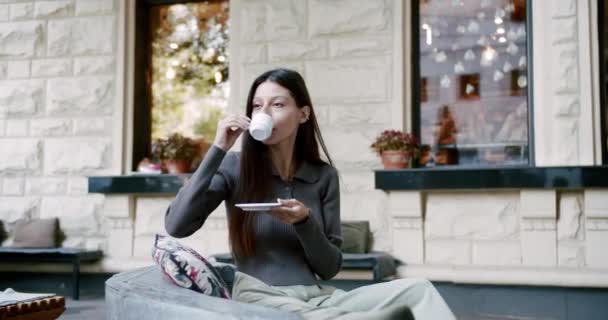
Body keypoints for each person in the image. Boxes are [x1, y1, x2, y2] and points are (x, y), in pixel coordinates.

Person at [164, 68, 456, 320]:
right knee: (321, 316)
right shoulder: (234, 167)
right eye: (256, 106)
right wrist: (218, 149)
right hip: (258, 297)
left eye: (277, 104)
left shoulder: (323, 176)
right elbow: (177, 226)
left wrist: (305, 222)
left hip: (318, 297)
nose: (264, 113)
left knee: (418, 290)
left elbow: (329, 268)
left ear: (302, 114)